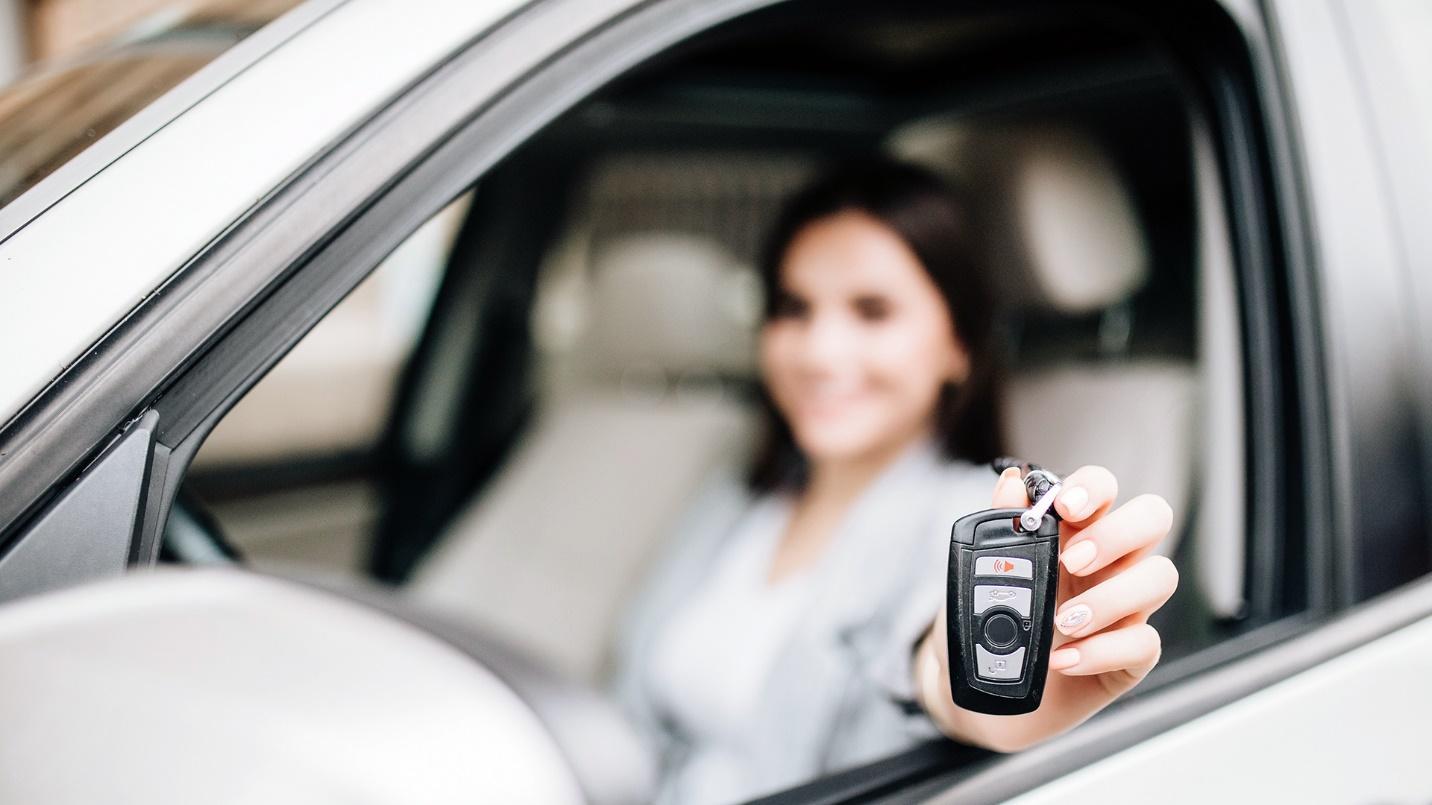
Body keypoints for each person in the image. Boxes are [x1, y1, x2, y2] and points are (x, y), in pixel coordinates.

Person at [613, 158, 1178, 804]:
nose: (820, 351)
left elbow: (927, 661)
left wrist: (985, 688)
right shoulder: (733, 498)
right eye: (793, 308)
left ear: (958, 344)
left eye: (872, 311)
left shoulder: (977, 520)